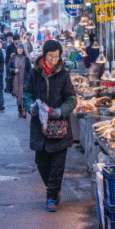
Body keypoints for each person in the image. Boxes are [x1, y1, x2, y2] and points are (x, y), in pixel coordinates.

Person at [24, 40, 77, 212]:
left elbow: (71, 99)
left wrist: (59, 111)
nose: (53, 59)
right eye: (50, 56)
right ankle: (53, 191)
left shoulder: (63, 74)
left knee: (57, 165)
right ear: (44, 55)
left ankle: (51, 197)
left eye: (57, 56)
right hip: (39, 127)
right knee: (41, 162)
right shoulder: (34, 73)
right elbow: (26, 94)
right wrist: (31, 106)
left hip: (59, 128)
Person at [10, 43, 32, 117]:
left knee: (24, 96)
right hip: (16, 80)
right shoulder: (13, 58)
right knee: (18, 96)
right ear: (16, 49)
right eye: (18, 49)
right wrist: (13, 70)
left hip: (24, 80)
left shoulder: (26, 58)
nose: (20, 50)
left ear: (23, 50)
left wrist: (29, 78)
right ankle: (19, 109)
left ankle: (24, 110)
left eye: (21, 49)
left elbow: (30, 70)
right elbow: (8, 68)